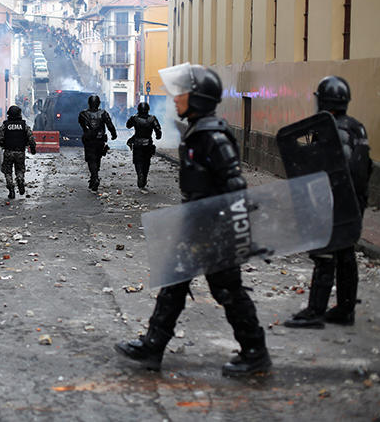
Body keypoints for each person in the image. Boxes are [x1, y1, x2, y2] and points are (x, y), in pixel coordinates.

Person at [115, 64, 270, 377]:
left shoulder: (213, 136)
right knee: (173, 286)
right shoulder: (199, 132)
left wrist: (235, 231)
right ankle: (153, 346)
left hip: (215, 230)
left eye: (182, 93)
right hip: (197, 226)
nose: (175, 98)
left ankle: (255, 353)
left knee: (228, 291)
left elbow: (235, 185)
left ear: (198, 98)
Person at [284, 76, 372, 329]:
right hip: (354, 201)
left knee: (324, 255)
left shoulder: (330, 129)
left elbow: (333, 169)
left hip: (333, 201)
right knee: (345, 254)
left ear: (323, 100)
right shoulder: (358, 127)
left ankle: (315, 312)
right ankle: (345, 309)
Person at [0, 105, 36, 199]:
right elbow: (31, 137)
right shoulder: (23, 125)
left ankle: (11, 190)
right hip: (20, 152)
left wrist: (2, 145)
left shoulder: (6, 125)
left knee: (7, 172)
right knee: (20, 170)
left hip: (8, 151)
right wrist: (33, 149)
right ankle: (20, 181)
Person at [78, 95, 117, 191]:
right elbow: (110, 125)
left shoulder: (83, 114)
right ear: (99, 103)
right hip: (100, 140)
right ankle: (94, 177)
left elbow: (82, 125)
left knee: (91, 159)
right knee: (97, 158)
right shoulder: (103, 113)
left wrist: (88, 132)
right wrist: (113, 134)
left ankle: (94, 177)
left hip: (89, 140)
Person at [126, 102, 162, 188]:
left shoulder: (135, 118)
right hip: (148, 144)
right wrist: (158, 136)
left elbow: (128, 125)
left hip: (137, 143)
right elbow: (158, 131)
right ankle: (144, 177)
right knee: (146, 162)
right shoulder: (152, 119)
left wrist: (133, 118)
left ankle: (140, 175)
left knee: (138, 161)